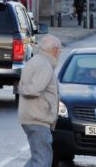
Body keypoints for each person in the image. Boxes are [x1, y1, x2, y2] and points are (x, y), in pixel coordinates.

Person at [18, 34, 62, 167]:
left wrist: (21, 87)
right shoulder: (44, 65)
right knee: (43, 160)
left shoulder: (37, 61)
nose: (60, 52)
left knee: (37, 158)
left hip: (32, 116)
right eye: (59, 49)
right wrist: (22, 88)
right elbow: (33, 90)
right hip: (38, 118)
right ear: (53, 49)